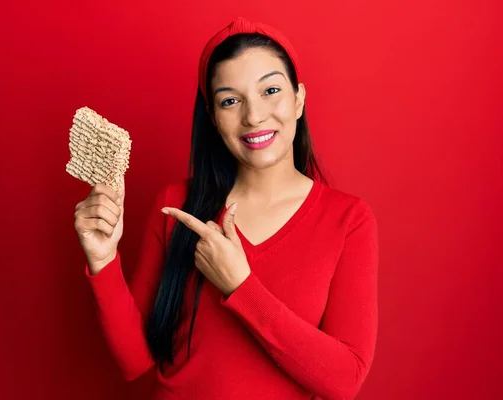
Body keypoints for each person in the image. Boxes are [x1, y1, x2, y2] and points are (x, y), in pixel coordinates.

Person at [74, 17, 378, 400]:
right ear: (213, 118)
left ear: (298, 99)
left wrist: (241, 287)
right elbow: (135, 361)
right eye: (230, 100)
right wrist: (103, 262)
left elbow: (344, 379)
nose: (253, 116)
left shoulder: (347, 220)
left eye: (270, 90)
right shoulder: (174, 205)